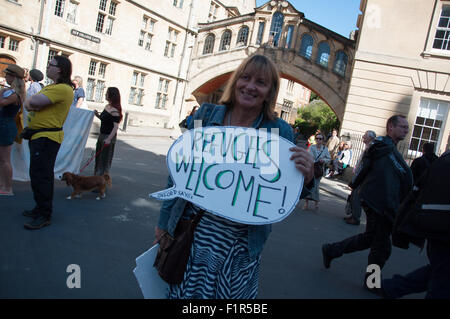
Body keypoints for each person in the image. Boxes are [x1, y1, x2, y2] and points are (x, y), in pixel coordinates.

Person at [154, 54, 314, 299]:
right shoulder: (204, 117)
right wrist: (164, 221)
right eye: (245, 78)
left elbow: (282, 191)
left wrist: (308, 176)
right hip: (193, 236)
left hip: (240, 245)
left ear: (270, 91)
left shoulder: (278, 131)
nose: (250, 86)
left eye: (260, 82)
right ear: (235, 81)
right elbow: (179, 174)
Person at [321, 115, 413, 292]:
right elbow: (365, 166)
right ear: (390, 127)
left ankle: (332, 250)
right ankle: (371, 283)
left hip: (384, 203)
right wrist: (354, 185)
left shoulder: (389, 148)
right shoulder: (381, 146)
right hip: (377, 203)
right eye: (402, 126)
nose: (406, 129)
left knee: (370, 239)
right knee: (381, 246)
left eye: (407, 127)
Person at [380, 150, 450, 298]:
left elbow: (418, 189)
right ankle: (392, 287)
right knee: (442, 277)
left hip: (436, 224)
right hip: (442, 228)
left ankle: (392, 287)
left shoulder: (442, 160)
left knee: (439, 270)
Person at [22, 56, 74, 230]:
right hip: (40, 137)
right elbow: (31, 104)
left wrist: (30, 102)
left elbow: (32, 102)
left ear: (59, 69)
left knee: (42, 176)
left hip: (46, 138)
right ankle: (39, 209)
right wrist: (31, 103)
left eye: (51, 65)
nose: (48, 67)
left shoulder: (62, 88)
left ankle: (44, 214)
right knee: (37, 175)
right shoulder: (53, 87)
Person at [0, 64, 26, 196]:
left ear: (14, 77)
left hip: (5, 125)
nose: (5, 77)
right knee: (2, 159)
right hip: (4, 124)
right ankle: (3, 184)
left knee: (5, 159)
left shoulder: (15, 95)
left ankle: (8, 188)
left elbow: (2, 103)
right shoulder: (11, 92)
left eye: (8, 75)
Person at [344, 130, 376, 225]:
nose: (363, 137)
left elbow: (365, 165)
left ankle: (356, 217)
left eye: (365, 135)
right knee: (354, 195)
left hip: (363, 177)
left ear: (370, 137)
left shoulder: (371, 147)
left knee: (357, 196)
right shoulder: (368, 147)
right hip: (360, 175)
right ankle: (353, 215)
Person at [93, 87, 122, 176]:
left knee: (104, 159)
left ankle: (102, 181)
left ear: (112, 96)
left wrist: (109, 139)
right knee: (98, 158)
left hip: (108, 136)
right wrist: (97, 114)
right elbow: (103, 119)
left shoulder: (115, 110)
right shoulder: (107, 107)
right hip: (102, 135)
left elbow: (115, 127)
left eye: (107, 93)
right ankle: (96, 179)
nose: (105, 94)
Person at [303, 132, 330, 210]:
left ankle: (316, 203)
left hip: (319, 170)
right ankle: (306, 204)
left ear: (323, 140)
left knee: (316, 187)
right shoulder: (312, 147)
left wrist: (323, 160)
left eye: (320, 139)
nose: (318, 140)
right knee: (309, 185)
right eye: (317, 138)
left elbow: (329, 159)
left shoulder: (325, 149)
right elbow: (308, 156)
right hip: (311, 168)